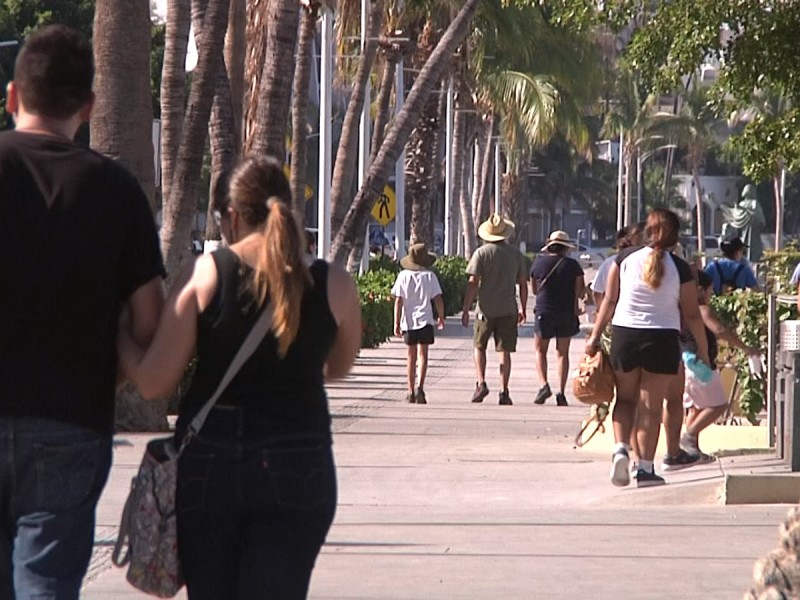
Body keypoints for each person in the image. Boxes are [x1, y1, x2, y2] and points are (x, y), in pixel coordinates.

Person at [117, 155, 362, 598]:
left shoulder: (208, 274)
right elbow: (340, 366)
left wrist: (120, 340)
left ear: (231, 216)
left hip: (213, 463)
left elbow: (154, 382)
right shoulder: (334, 284)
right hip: (299, 459)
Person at [0, 25, 165, 599]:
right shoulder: (116, 190)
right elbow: (149, 321)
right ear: (90, 106)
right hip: (70, 423)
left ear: (13, 97)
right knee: (45, 583)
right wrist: (107, 371)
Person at [586, 208, 709, 488]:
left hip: (624, 336)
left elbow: (609, 301)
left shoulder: (624, 259)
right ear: (675, 238)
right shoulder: (680, 268)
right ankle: (645, 470)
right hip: (662, 340)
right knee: (651, 409)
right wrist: (702, 349)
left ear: (646, 233)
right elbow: (691, 314)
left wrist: (593, 339)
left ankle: (620, 449)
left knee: (625, 400)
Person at [677, 270, 760, 460]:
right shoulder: (701, 309)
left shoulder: (681, 309)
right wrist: (744, 347)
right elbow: (720, 330)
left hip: (686, 363)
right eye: (710, 291)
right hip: (701, 365)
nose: (710, 295)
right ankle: (689, 435)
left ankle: (692, 450)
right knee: (719, 406)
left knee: (695, 408)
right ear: (700, 290)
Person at [462, 214, 528, 406]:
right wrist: (523, 309)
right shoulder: (516, 254)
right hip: (508, 309)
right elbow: (523, 284)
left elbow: (472, 282)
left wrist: (466, 308)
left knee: (479, 347)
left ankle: (481, 382)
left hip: (485, 309)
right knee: (504, 351)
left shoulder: (481, 253)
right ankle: (504, 390)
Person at [530, 231, 585, 406]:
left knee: (540, 350)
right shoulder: (573, 265)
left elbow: (534, 290)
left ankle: (543, 384)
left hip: (544, 311)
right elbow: (581, 291)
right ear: (566, 248)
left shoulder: (538, 262)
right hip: (566, 312)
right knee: (562, 353)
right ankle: (561, 393)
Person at [392, 243, 446, 404]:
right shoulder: (430, 276)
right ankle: (420, 388)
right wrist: (441, 316)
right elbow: (438, 299)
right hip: (426, 320)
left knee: (410, 357)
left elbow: (398, 301)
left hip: (408, 322)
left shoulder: (403, 276)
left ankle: (410, 390)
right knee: (423, 355)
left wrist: (396, 323)